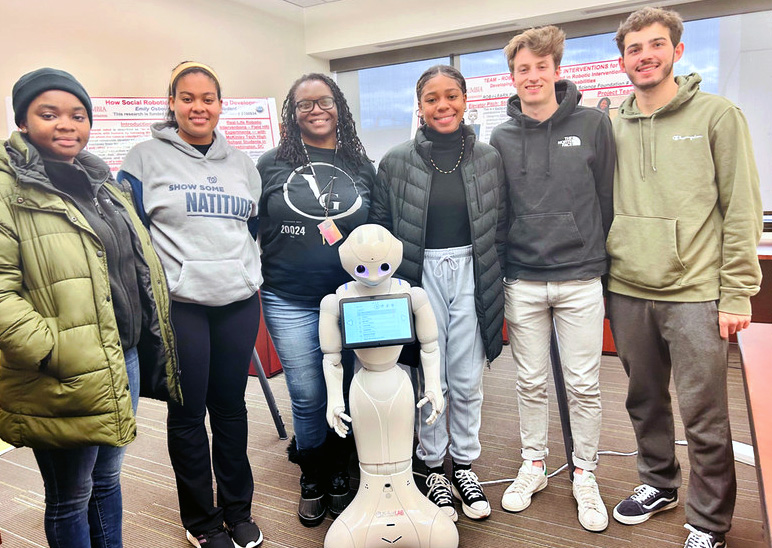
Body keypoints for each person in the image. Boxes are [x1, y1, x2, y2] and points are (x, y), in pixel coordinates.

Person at [0, 67, 180, 548]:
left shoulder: (100, 182)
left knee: (106, 481)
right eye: (49, 113)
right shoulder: (7, 190)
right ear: (22, 122)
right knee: (70, 495)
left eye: (78, 114)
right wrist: (55, 352)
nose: (66, 124)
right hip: (62, 369)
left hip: (123, 355)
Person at [607, 7, 762, 548]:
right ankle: (658, 483)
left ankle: (710, 520)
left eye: (655, 45)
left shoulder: (718, 115)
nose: (644, 56)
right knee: (643, 401)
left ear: (676, 50)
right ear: (622, 58)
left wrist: (736, 291)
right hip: (627, 288)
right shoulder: (612, 123)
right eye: (634, 48)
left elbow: (740, 209)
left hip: (696, 293)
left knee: (705, 414)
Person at [118, 62, 264, 548]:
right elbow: (131, 239)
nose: (198, 107)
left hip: (238, 302)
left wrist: (242, 271)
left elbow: (252, 229)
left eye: (208, 98)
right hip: (181, 305)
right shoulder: (143, 159)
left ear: (221, 105)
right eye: (187, 98)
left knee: (230, 409)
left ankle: (238, 511)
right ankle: (202, 521)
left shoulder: (243, 164)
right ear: (173, 104)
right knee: (187, 413)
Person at [489, 26, 614, 532]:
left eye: (542, 67)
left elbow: (608, 200)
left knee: (584, 385)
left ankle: (585, 471)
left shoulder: (593, 125)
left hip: (581, 276)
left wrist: (601, 261)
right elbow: (499, 211)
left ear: (557, 71)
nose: (533, 76)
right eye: (524, 69)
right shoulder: (498, 136)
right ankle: (534, 464)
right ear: (513, 76)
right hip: (523, 278)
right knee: (530, 381)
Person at [370, 64, 505, 522]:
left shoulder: (488, 157)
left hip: (472, 271)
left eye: (451, 96)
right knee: (430, 377)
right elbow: (383, 228)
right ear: (419, 105)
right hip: (418, 274)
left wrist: (495, 273)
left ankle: (464, 464)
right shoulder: (396, 161)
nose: (442, 106)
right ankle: (433, 468)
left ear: (465, 100)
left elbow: (500, 224)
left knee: (467, 377)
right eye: (432, 98)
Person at [256, 73, 376, 527]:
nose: (316, 110)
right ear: (292, 112)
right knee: (307, 395)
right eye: (304, 105)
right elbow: (248, 226)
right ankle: (313, 474)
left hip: (352, 296)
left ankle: (342, 470)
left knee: (349, 386)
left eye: (324, 101)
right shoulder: (270, 164)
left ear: (339, 106)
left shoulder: (360, 163)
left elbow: (377, 228)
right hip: (291, 298)